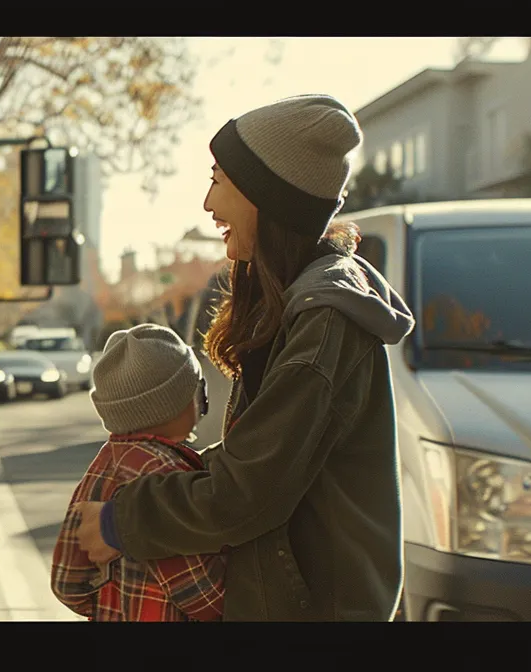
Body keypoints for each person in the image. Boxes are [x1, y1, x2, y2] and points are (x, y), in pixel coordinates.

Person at [71, 94, 416, 621]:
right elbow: (259, 462)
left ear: (266, 197)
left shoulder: (324, 322)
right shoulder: (298, 302)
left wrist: (126, 521)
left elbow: (249, 490)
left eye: (219, 181)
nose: (209, 204)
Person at [50, 324, 228, 622]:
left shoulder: (102, 465)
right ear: (178, 403)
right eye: (199, 389)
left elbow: (67, 583)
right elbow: (207, 597)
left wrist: (114, 603)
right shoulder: (166, 478)